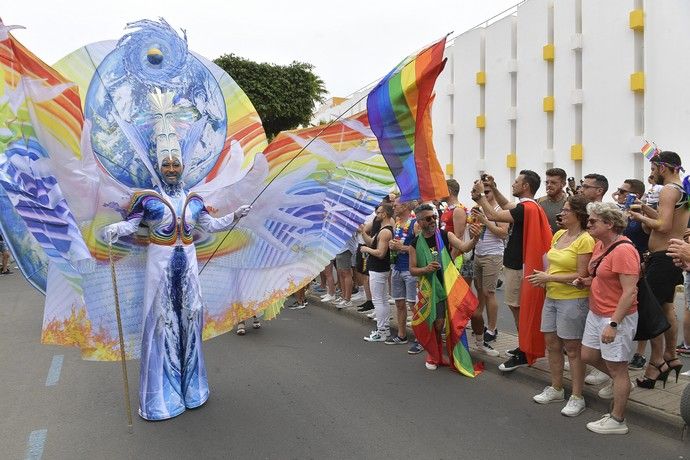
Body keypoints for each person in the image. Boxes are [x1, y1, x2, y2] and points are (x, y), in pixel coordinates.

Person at [102, 90, 252, 421]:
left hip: (189, 275)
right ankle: (160, 397)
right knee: (161, 325)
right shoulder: (148, 198)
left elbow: (210, 225)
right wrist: (116, 231)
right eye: (166, 163)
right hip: (160, 276)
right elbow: (132, 225)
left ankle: (193, 388)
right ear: (159, 166)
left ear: (182, 166)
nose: (171, 168)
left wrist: (235, 217)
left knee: (189, 322)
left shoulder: (195, 198)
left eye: (175, 163)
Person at [471, 171, 552, 371]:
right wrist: (494, 189)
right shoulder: (528, 206)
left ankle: (526, 351)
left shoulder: (526, 208)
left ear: (525, 186)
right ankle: (524, 345)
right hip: (518, 264)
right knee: (518, 307)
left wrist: (481, 196)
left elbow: (496, 215)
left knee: (518, 308)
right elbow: (506, 206)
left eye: (516, 182)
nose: (513, 184)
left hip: (519, 266)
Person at [575, 202, 639, 435]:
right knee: (587, 355)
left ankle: (618, 419)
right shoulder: (601, 244)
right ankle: (620, 381)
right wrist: (587, 282)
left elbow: (630, 291)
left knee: (618, 367)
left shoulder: (624, 250)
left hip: (615, 316)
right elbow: (603, 277)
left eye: (593, 221)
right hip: (597, 312)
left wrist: (613, 324)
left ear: (609, 224)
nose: (588, 224)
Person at [527, 195, 594, 417]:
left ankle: (577, 396)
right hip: (552, 296)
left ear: (579, 215)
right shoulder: (558, 234)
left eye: (566, 210)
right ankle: (556, 388)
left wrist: (548, 279)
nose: (561, 213)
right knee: (552, 345)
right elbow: (552, 264)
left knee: (573, 349)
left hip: (572, 298)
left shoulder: (585, 239)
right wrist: (546, 278)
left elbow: (582, 274)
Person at [629, 151, 688, 386]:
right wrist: (645, 209)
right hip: (669, 257)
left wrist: (638, 217)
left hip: (663, 257)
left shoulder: (668, 190)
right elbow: (670, 221)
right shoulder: (681, 189)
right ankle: (670, 356)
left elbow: (663, 226)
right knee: (665, 309)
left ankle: (656, 362)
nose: (652, 173)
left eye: (654, 168)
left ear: (663, 167)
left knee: (649, 310)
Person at [409, 203, 479, 370]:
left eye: (434, 217)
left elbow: (463, 247)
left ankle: (455, 356)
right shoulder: (414, 243)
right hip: (433, 288)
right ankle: (435, 355)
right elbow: (412, 270)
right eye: (428, 218)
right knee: (438, 323)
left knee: (460, 319)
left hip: (450, 284)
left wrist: (475, 238)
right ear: (419, 222)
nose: (433, 220)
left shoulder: (444, 234)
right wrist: (425, 269)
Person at [614, 179, 650, 370]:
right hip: (620, 266)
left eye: (622, 191)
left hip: (638, 267)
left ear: (635, 195)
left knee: (639, 308)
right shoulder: (621, 213)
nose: (618, 193)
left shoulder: (643, 215)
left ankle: (640, 353)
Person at [468, 187, 508, 353]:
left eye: (487, 192)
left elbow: (503, 233)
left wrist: (485, 221)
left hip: (493, 255)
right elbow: (473, 234)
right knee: (479, 291)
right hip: (478, 253)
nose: (483, 196)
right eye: (480, 193)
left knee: (489, 292)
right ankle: (480, 323)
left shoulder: (500, 210)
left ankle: (492, 328)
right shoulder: (477, 209)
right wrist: (473, 229)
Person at [360, 204, 395, 342]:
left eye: (378, 212)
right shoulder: (382, 229)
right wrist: (363, 232)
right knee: (382, 300)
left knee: (378, 300)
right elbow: (372, 243)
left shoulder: (385, 231)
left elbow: (380, 253)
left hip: (378, 268)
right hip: (378, 268)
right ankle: (384, 328)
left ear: (385, 214)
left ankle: (381, 331)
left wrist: (366, 250)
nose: (376, 214)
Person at [386, 198, 418, 344]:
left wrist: (401, 248)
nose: (393, 207)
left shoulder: (415, 224)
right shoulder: (397, 224)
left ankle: (421, 339)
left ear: (404, 206)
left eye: (396, 205)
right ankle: (402, 335)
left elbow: (420, 249)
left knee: (414, 306)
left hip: (410, 270)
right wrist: (392, 245)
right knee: (399, 303)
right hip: (397, 268)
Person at [537, 168, 568, 233]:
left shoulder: (570, 203)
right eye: (547, 182)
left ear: (563, 184)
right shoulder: (538, 203)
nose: (549, 185)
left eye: (553, 183)